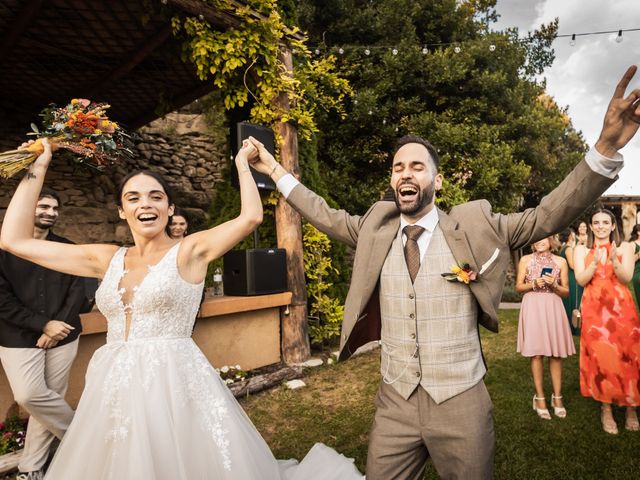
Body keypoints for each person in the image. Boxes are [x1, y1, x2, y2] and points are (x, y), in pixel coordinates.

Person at [247, 65, 640, 479]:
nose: (405, 173)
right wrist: (274, 170)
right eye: (398, 167)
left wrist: (604, 149)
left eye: (417, 166)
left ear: (436, 179)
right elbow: (322, 213)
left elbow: (547, 214)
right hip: (394, 403)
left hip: (461, 402)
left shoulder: (476, 226)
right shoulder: (374, 229)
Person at [0, 139, 363, 479]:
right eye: (134, 198)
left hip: (172, 382)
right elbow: (13, 240)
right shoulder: (106, 258)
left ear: (169, 208)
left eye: (156, 197)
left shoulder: (189, 251)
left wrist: (242, 165)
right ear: (122, 211)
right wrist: (38, 166)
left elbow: (250, 217)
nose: (146, 204)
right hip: (113, 381)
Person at [0, 189, 92, 480]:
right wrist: (42, 324)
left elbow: (78, 291)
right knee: (29, 395)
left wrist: (57, 327)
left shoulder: (67, 248)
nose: (50, 212)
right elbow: (1, 300)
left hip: (63, 335)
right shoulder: (4, 250)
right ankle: (85, 439)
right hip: (15, 335)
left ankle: (31, 468)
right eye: (43, 206)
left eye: (54, 208)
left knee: (50, 398)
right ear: (27, 209)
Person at [574, 210, 640, 434]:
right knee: (602, 358)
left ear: (613, 226)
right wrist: (593, 264)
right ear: (591, 227)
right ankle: (606, 408)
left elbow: (626, 277)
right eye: (596, 223)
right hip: (595, 312)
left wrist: (614, 261)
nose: (600, 226)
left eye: (605, 222)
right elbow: (581, 280)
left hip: (622, 311)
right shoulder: (581, 249)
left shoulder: (625, 248)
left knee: (628, 356)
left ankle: (631, 407)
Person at [515, 236, 574, 420]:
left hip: (553, 306)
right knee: (537, 353)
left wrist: (554, 285)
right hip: (532, 307)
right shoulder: (525, 260)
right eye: (537, 238)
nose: (540, 241)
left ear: (551, 240)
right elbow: (518, 286)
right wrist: (533, 284)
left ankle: (557, 398)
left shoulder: (561, 261)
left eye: (544, 238)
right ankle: (539, 398)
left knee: (555, 354)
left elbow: (566, 292)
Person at [558, 228, 583, 335]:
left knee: (569, 300)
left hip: (567, 275)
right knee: (575, 300)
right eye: (572, 234)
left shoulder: (563, 248)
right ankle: (574, 326)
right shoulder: (568, 249)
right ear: (569, 236)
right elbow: (572, 265)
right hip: (571, 277)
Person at [631, 223, 640, 306]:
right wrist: (638, 254)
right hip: (638, 273)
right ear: (638, 232)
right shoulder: (633, 244)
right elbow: (630, 260)